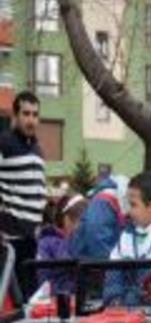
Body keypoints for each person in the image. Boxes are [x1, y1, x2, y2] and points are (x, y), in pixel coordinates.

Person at [104, 173, 151, 305]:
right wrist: (113, 300)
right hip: (124, 310)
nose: (128, 212)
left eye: (133, 205)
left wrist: (129, 301)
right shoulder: (127, 233)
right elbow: (113, 270)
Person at [0, 91, 48, 298]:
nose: (31, 120)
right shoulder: (4, 143)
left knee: (29, 299)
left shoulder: (37, 149)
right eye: (26, 114)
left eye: (35, 114)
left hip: (31, 237)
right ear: (15, 115)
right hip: (10, 237)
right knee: (11, 301)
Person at [36, 193, 87, 294]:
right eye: (80, 221)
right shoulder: (47, 242)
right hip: (58, 299)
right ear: (67, 219)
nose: (83, 226)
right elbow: (43, 278)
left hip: (82, 297)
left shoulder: (81, 238)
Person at [69, 174, 129, 260]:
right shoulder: (104, 202)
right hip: (93, 265)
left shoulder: (105, 202)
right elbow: (97, 236)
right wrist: (113, 265)